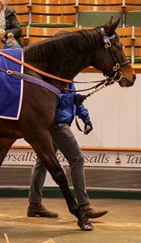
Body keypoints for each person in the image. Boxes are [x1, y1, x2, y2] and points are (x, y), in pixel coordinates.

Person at [28, 83, 108, 219]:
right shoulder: (54, 76)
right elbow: (54, 100)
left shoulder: (68, 76)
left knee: (43, 162)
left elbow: (75, 99)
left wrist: (85, 117)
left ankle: (34, 204)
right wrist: (73, 99)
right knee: (77, 159)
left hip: (56, 122)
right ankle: (84, 205)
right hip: (57, 123)